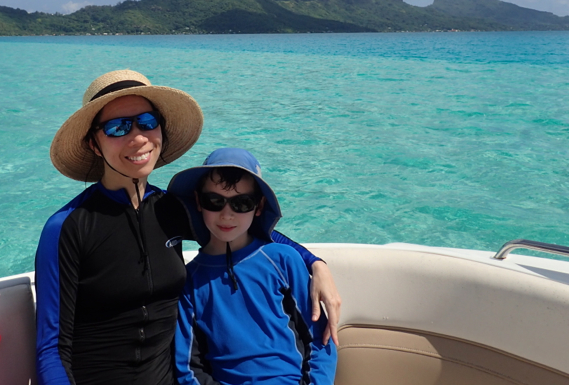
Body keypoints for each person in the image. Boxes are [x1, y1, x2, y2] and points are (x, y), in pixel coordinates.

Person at [35, 70, 340, 385]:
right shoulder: (67, 227)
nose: (138, 137)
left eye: (147, 122)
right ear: (94, 145)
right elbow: (51, 349)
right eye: (117, 127)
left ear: (161, 130)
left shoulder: (174, 211)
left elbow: (249, 229)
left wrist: (314, 263)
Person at [170, 148, 338, 385]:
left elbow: (320, 339)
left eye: (242, 203)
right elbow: (187, 367)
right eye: (214, 201)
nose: (226, 215)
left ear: (258, 206)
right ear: (199, 201)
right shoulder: (189, 280)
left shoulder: (284, 260)